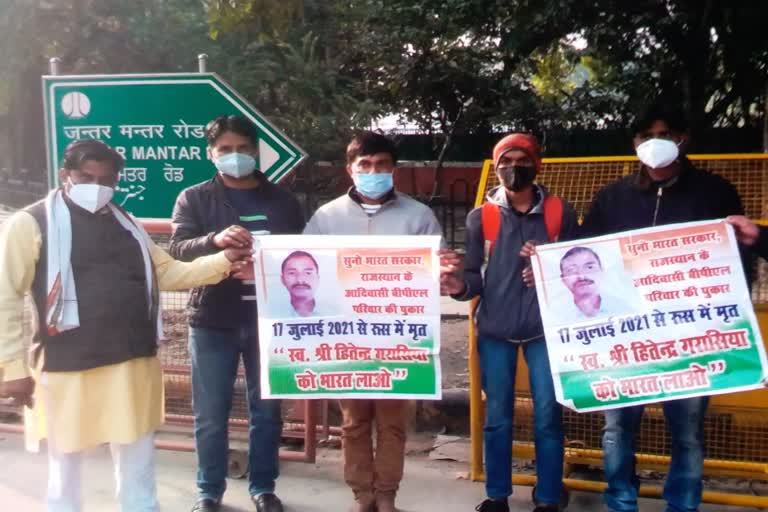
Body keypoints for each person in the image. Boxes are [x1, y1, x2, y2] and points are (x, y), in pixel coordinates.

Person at [0, 139, 252, 512]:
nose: (97, 187)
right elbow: (5, 296)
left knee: (137, 457)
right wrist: (12, 368)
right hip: (65, 367)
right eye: (87, 177)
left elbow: (169, 273)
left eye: (107, 180)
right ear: (65, 174)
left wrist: (224, 260)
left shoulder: (126, 222)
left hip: (132, 363)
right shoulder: (31, 223)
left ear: (118, 180)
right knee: (65, 463)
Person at [581, 104, 747, 512]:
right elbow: (584, 252)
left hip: (690, 339)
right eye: (646, 136)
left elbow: (736, 266)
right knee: (618, 427)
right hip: (623, 337)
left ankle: (683, 505)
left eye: (666, 134)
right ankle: (621, 501)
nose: (655, 143)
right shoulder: (612, 196)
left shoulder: (716, 192)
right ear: (635, 143)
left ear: (683, 139)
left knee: (687, 431)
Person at [169, 115, 305, 512]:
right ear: (211, 154)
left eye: (243, 149)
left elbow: (300, 253)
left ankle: (264, 488)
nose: (235, 156)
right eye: (225, 150)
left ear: (256, 151)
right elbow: (178, 248)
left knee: (267, 411)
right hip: (213, 318)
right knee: (211, 414)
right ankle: (209, 492)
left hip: (272, 319)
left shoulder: (282, 199)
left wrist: (265, 266)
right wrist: (214, 240)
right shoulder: (194, 198)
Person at [303, 131, 444, 512]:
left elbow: (436, 276)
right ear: (351, 170)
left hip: (399, 340)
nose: (373, 171)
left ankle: (386, 497)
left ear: (393, 169)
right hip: (346, 338)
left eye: (382, 165)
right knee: (353, 423)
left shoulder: (419, 217)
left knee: (393, 424)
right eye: (364, 165)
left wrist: (446, 272)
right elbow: (306, 267)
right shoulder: (326, 218)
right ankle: (361, 495)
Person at [441, 133, 578, 512]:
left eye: (522, 158)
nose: (513, 167)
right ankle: (496, 495)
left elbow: (577, 267)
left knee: (548, 413)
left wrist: (549, 267)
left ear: (537, 164)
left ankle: (548, 496)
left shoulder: (559, 212)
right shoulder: (479, 217)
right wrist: (457, 286)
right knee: (497, 415)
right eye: (506, 159)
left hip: (545, 330)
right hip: (495, 330)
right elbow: (473, 277)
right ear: (495, 165)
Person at [558, 246, 631, 322]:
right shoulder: (555, 317)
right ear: (563, 280)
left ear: (602, 272)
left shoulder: (624, 310)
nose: (582, 276)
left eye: (589, 267)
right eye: (571, 270)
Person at [279, 250, 323, 317]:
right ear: (282, 279)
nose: (300, 280)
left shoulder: (334, 313)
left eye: (308, 273)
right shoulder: (272, 314)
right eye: (292, 273)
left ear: (317, 278)